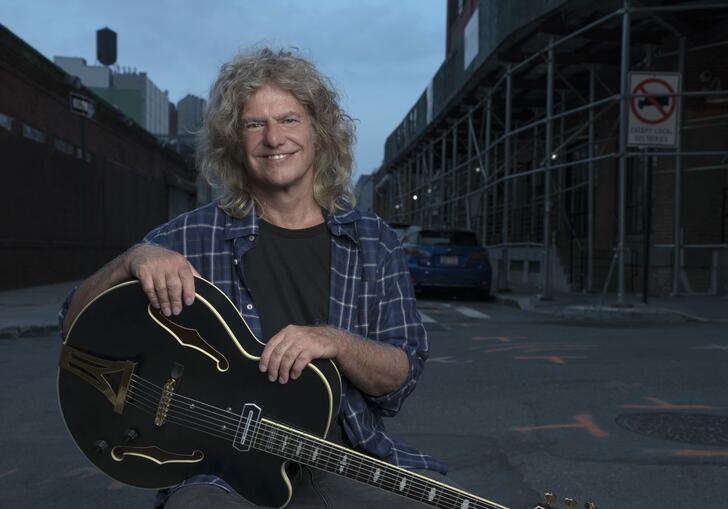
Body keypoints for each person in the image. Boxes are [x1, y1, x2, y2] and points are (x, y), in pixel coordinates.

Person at [60, 48, 450, 508]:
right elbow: (73, 322)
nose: (273, 138)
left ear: (318, 133)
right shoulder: (191, 234)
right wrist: (132, 259)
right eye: (253, 124)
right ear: (234, 141)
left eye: (289, 119)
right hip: (220, 471)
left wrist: (336, 341)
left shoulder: (373, 241)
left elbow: (400, 376)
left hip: (339, 456)